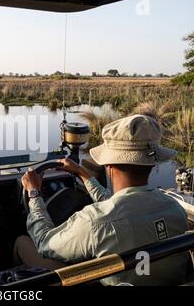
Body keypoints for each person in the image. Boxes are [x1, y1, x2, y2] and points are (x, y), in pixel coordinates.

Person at [14, 114, 190, 285]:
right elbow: (118, 203)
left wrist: (34, 194)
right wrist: (82, 174)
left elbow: (45, 243)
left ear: (108, 166)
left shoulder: (94, 221)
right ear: (152, 164)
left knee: (21, 242)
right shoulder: (175, 207)